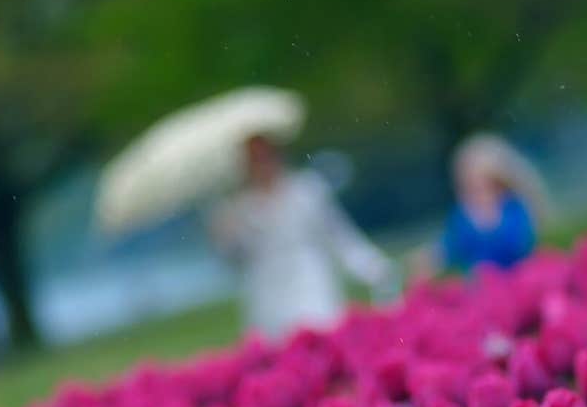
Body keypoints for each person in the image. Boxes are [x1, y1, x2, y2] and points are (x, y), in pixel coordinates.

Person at [211, 134, 394, 338]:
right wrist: (225, 235)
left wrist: (372, 267)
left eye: (266, 155)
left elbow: (339, 237)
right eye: (254, 159)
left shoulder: (306, 190)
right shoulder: (239, 208)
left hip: (311, 284)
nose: (262, 164)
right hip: (268, 295)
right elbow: (236, 259)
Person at [437, 133, 550, 272]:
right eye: (470, 187)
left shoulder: (512, 208)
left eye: (485, 187)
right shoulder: (462, 216)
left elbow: (520, 242)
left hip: (517, 280)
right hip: (480, 286)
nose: (479, 195)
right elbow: (451, 246)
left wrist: (488, 222)